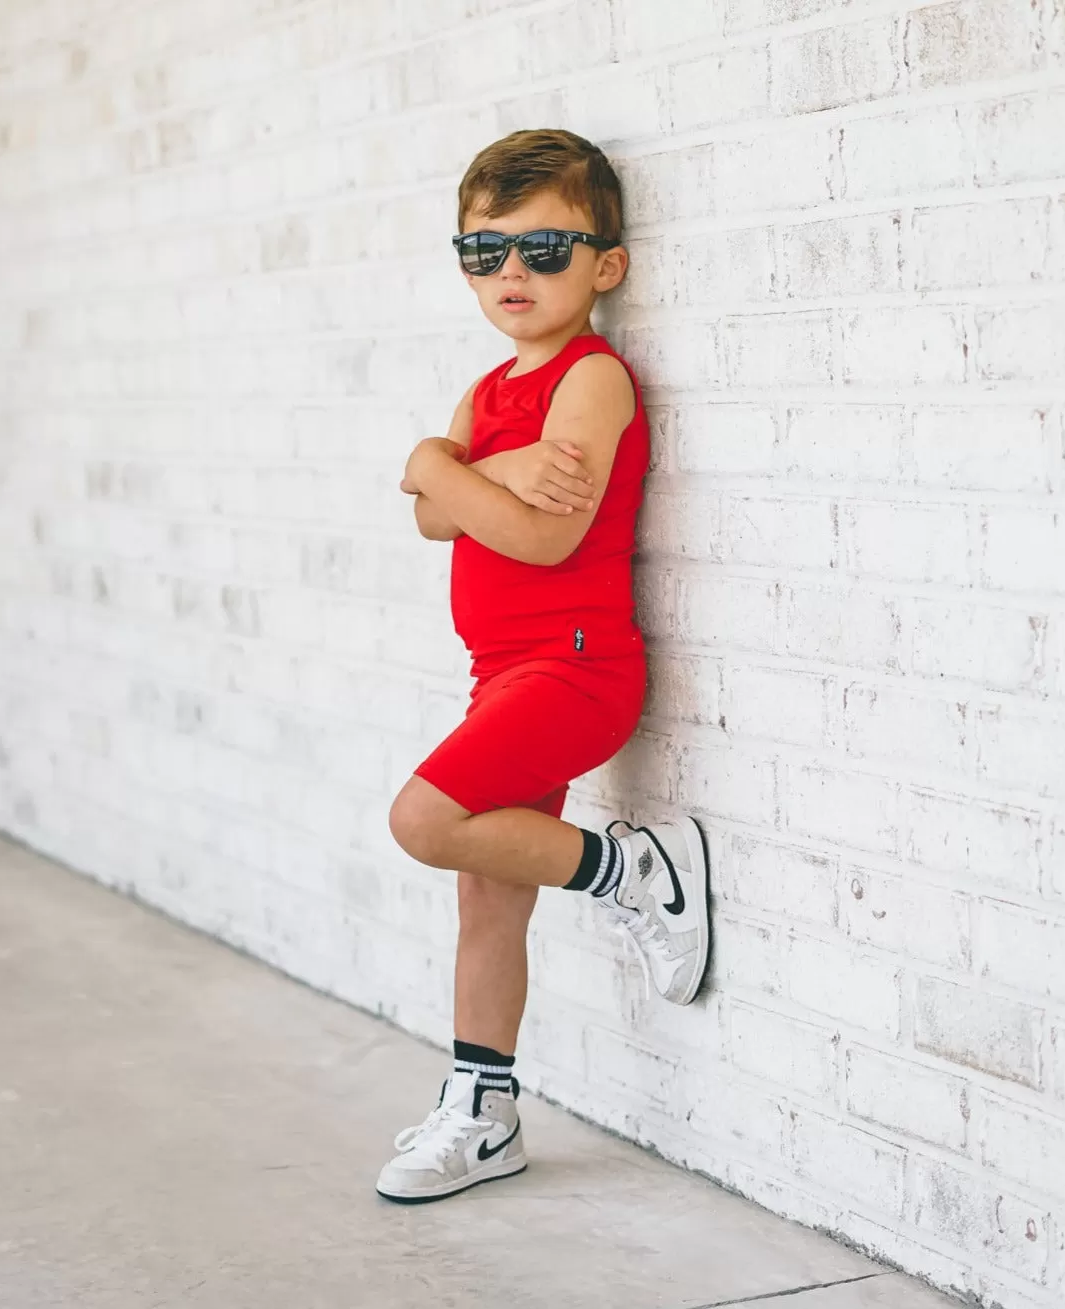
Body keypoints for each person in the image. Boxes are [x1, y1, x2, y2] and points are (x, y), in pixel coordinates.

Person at [378, 129, 710, 1205]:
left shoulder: (594, 380)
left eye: (542, 249)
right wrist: (463, 470)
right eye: (484, 252)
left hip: (573, 670)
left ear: (605, 264)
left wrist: (435, 465)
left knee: (423, 822)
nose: (509, 273)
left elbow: (534, 539)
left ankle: (633, 872)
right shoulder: (487, 394)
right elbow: (438, 521)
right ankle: (485, 1110)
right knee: (486, 894)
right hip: (502, 671)